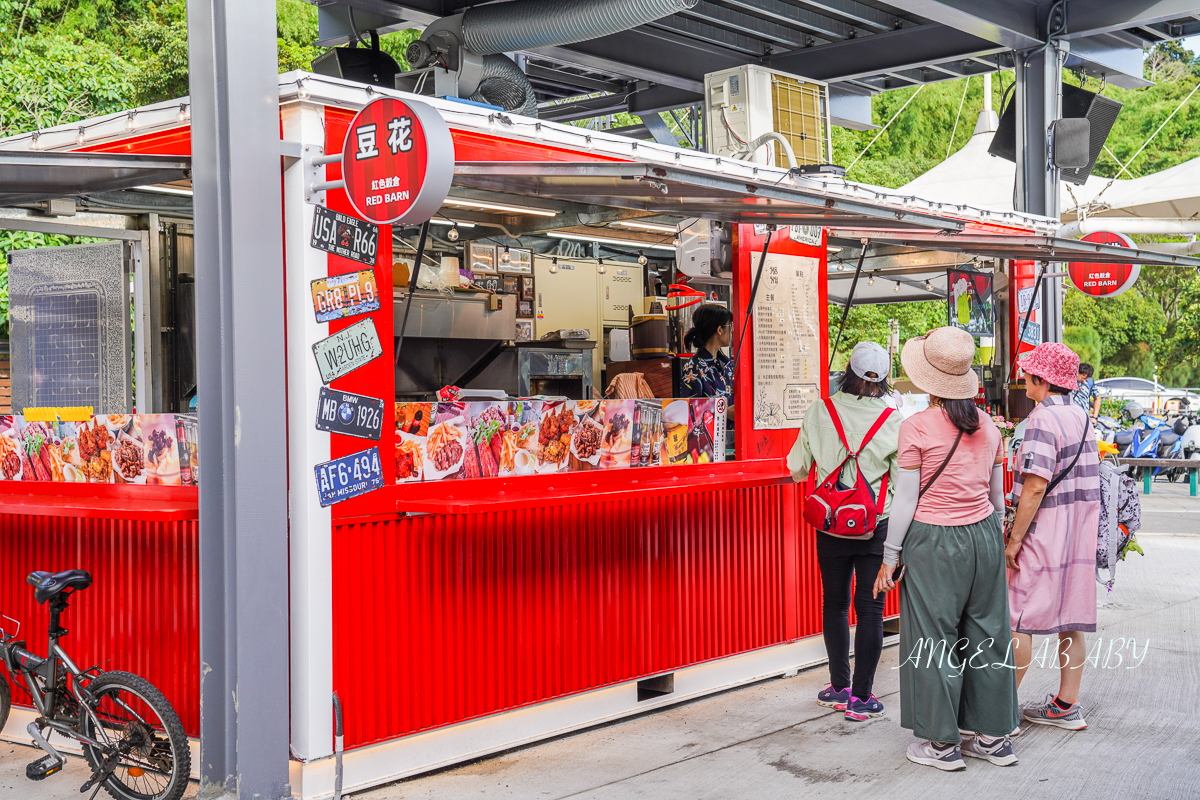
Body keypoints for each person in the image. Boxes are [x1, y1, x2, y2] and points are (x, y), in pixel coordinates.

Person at [873, 326, 1018, 772]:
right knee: (988, 635)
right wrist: (995, 541)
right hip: (984, 537)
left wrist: (890, 557)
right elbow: (997, 498)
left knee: (935, 639)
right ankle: (993, 739)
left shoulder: (915, 427)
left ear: (927, 380)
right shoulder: (990, 425)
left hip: (934, 541)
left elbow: (906, 502)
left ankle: (942, 745)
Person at [788, 342, 901, 722]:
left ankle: (838, 688)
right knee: (870, 609)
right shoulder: (893, 419)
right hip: (875, 525)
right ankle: (862, 699)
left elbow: (798, 467)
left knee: (834, 604)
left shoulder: (821, 410)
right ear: (884, 378)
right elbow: (902, 483)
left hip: (831, 524)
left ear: (848, 371)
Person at [1008, 343, 1100, 731]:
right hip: (1078, 532)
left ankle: (999, 711)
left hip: (1044, 532)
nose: (1024, 380)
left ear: (1042, 380)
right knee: (1070, 619)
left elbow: (1033, 487)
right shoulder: (1082, 415)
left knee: (1018, 620)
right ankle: (1066, 704)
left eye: (1029, 374)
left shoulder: (1042, 419)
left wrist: (1014, 540)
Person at [681, 304, 735, 411]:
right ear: (719, 330)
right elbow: (691, 413)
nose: (732, 331)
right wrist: (725, 413)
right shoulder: (694, 368)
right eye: (730, 326)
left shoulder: (727, 363)